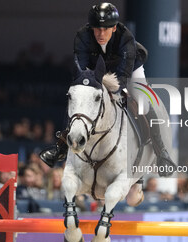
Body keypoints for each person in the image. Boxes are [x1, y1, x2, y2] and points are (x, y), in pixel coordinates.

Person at [39, 3, 175, 174]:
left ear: (114, 27)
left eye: (106, 29)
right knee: (78, 98)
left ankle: (161, 152)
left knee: (143, 102)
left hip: (129, 71)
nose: (101, 34)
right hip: (95, 73)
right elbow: (81, 69)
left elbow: (122, 75)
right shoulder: (82, 36)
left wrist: (113, 93)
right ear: (91, 27)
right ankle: (60, 148)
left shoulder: (125, 38)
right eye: (97, 29)